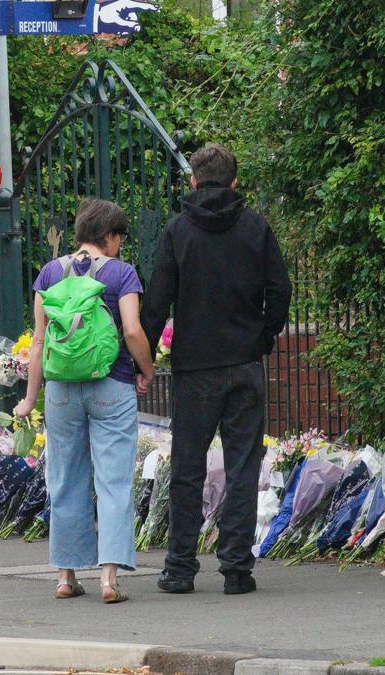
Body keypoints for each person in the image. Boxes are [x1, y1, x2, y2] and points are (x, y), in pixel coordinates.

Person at [141, 143, 292, 595]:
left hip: (195, 369)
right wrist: (262, 337)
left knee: (188, 467)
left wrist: (143, 360)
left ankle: (180, 568)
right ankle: (236, 569)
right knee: (243, 465)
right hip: (245, 364)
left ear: (192, 180)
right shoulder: (255, 227)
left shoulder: (178, 232)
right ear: (234, 181)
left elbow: (156, 302)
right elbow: (280, 289)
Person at [16, 198, 155, 604]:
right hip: (111, 386)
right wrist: (145, 370)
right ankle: (109, 579)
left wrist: (29, 399)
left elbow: (39, 341)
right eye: (119, 239)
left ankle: (65, 576)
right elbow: (132, 331)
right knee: (112, 481)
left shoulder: (50, 273)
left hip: (60, 391)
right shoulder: (121, 274)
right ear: (109, 237)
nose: (120, 246)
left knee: (65, 480)